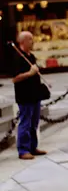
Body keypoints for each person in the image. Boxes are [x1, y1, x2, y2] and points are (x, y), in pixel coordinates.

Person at [12, 32, 47, 160]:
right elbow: (15, 78)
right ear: (23, 42)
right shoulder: (17, 57)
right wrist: (30, 73)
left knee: (34, 123)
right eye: (30, 39)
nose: (33, 41)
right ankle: (23, 149)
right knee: (25, 123)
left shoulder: (31, 56)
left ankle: (33, 146)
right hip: (25, 96)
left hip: (35, 94)